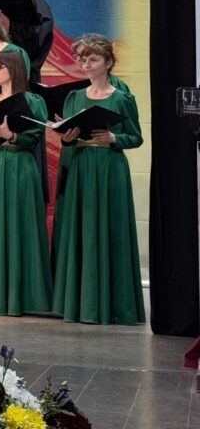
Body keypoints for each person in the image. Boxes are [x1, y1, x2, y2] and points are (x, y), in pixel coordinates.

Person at [51, 36, 145, 325]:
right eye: (82, 59)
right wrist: (66, 137)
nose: (86, 64)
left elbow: (136, 137)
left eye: (92, 59)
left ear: (108, 62)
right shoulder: (74, 97)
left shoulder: (121, 98)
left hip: (108, 168)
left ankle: (113, 305)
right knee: (82, 231)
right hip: (81, 166)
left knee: (109, 229)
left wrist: (114, 137)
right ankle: (81, 304)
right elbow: (69, 138)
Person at [0, 50, 52, 316]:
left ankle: (21, 296)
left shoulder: (32, 100)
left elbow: (35, 135)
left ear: (14, 69)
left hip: (18, 166)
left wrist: (10, 135)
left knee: (18, 225)